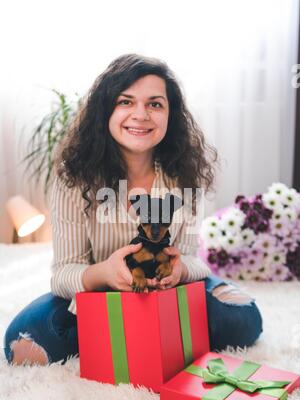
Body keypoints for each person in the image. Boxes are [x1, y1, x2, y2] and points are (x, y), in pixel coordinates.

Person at [4, 54, 263, 366]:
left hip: (170, 292)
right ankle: (143, 329)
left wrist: (179, 270)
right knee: (21, 342)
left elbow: (194, 260)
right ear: (106, 111)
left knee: (244, 318)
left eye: (155, 104)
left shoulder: (185, 175)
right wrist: (106, 274)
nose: (140, 114)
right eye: (125, 102)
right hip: (100, 294)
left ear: (171, 115)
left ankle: (132, 331)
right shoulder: (74, 177)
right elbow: (63, 273)